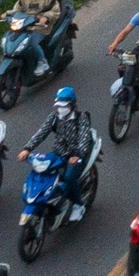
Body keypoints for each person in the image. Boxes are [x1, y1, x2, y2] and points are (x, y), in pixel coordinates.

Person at [19, 87, 97, 221]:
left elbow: (84, 138)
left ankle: (78, 205)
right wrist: (27, 148)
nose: (60, 109)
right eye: (58, 105)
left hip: (75, 156)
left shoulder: (82, 117)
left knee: (68, 178)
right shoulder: (54, 117)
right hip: (58, 153)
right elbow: (41, 132)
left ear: (71, 104)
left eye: (64, 105)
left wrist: (77, 155)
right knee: (43, 174)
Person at [10, 0, 64, 77]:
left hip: (42, 26)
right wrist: (9, 13)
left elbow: (55, 10)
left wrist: (46, 17)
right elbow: (19, 6)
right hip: (27, 23)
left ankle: (42, 62)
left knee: (31, 42)